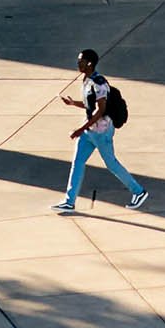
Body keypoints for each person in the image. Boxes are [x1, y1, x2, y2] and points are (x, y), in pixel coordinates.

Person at [56, 47, 149, 213]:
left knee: (111, 164)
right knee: (77, 162)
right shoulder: (86, 80)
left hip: (101, 131)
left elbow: (100, 110)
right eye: (78, 61)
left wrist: (80, 129)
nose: (78, 63)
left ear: (90, 64)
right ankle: (69, 202)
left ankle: (139, 191)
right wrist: (73, 103)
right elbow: (90, 105)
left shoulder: (99, 83)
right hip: (89, 130)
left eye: (81, 61)